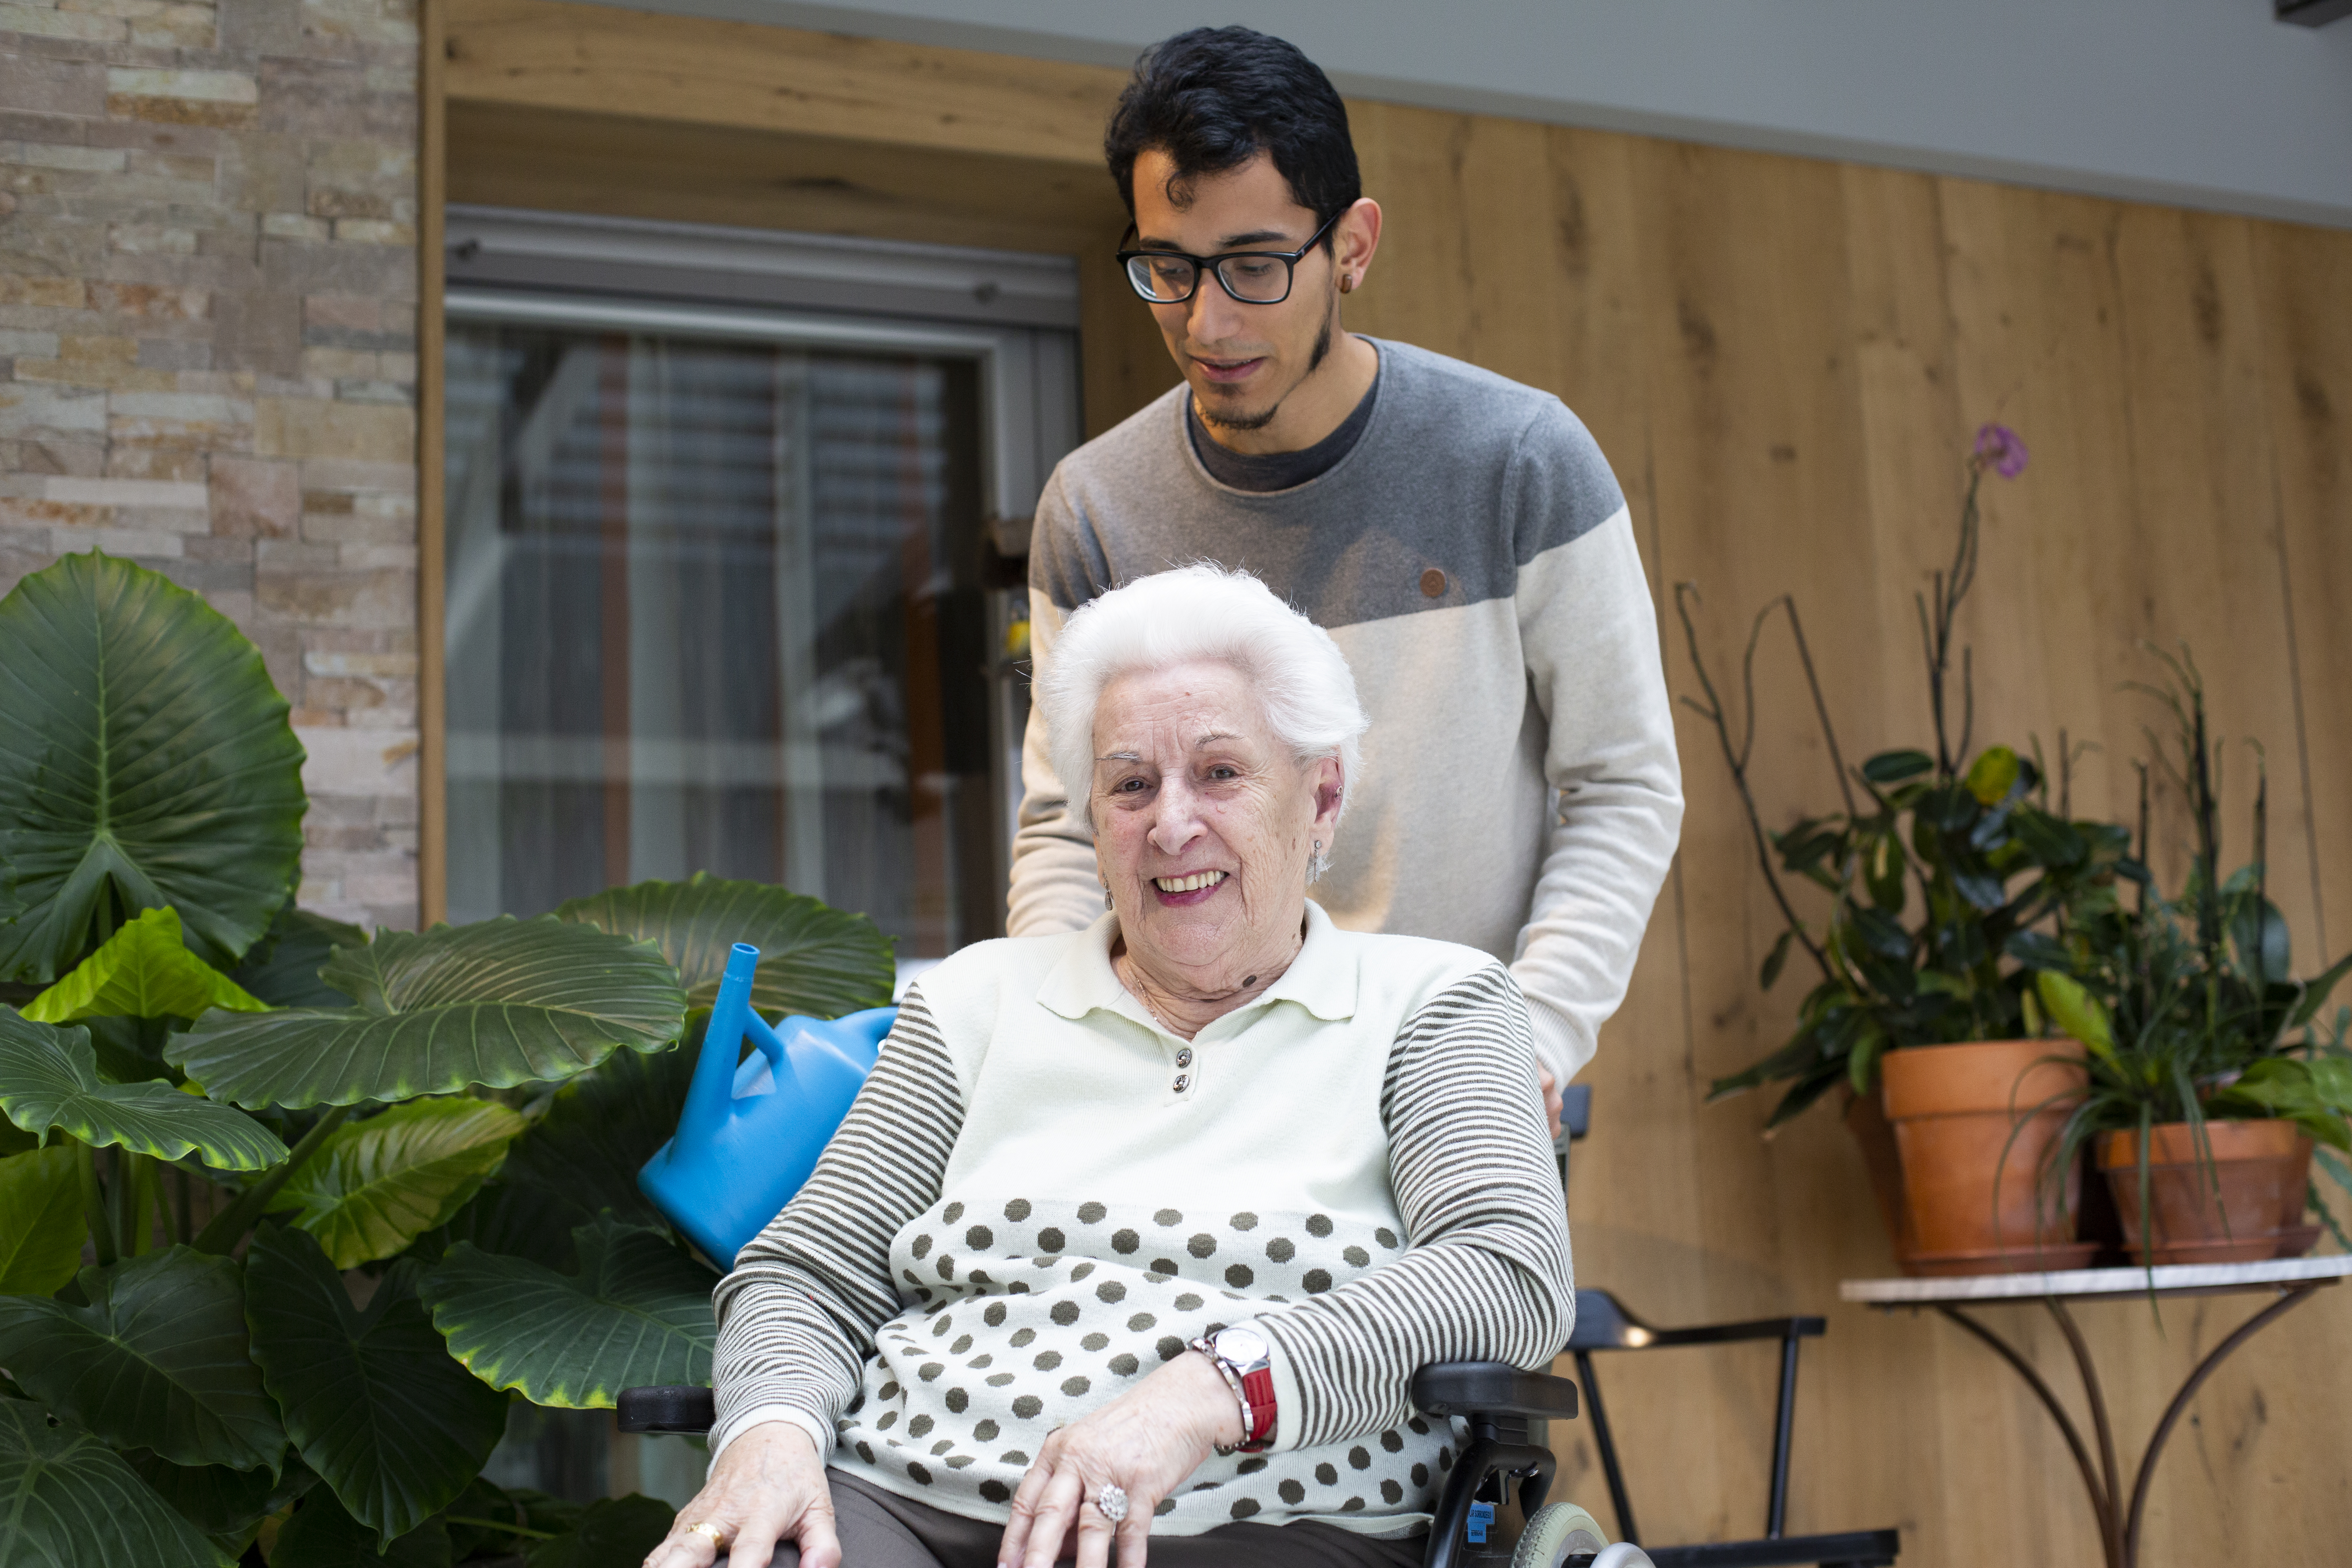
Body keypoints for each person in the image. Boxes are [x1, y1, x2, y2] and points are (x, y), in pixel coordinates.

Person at [644, 566, 1572, 1568]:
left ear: (1322, 797)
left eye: (1220, 773)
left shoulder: (1434, 1005)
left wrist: (1213, 1390)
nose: (1171, 825)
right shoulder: (977, 1001)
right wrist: (769, 1438)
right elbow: (810, 1273)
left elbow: (1508, 1269)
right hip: (903, 1511)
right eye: (1131, 784)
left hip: (1260, 1529)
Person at [1009, 28, 1683, 1125]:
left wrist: (1528, 1039)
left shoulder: (1521, 461)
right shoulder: (1095, 506)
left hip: (1457, 1086)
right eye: (1169, 269)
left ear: (1353, 247)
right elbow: (1065, 828)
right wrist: (1064, 1054)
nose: (1207, 321)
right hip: (1184, 1104)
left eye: (1256, 267)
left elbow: (1623, 785)